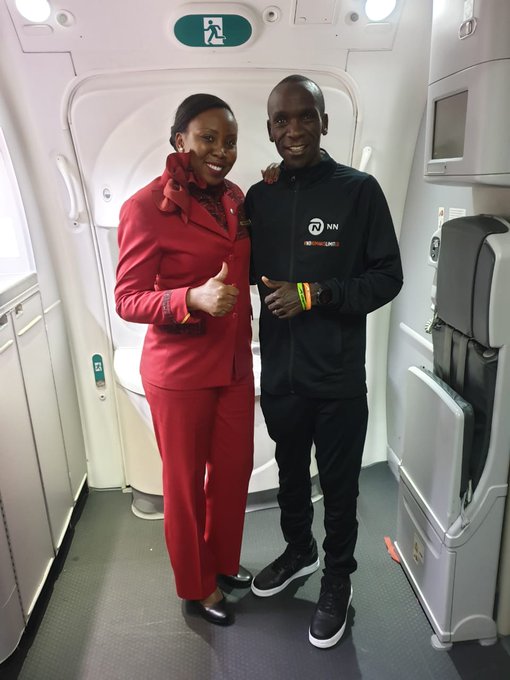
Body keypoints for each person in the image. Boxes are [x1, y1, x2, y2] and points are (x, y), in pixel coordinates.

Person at [245, 75, 403, 648]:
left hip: (336, 377)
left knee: (338, 489)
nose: (294, 130)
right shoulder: (260, 197)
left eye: (306, 116)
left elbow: (387, 277)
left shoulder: (359, 191)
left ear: (324, 122)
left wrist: (315, 294)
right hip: (281, 374)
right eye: (282, 120)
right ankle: (299, 550)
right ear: (269, 130)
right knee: (290, 475)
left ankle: (338, 577)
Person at [115, 93, 254, 627]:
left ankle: (220, 563)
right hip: (180, 371)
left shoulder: (237, 198)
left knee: (233, 473)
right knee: (185, 484)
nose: (221, 151)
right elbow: (128, 300)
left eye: (230, 141)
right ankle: (196, 587)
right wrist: (189, 298)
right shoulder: (145, 208)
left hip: (234, 363)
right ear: (180, 140)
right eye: (208, 138)